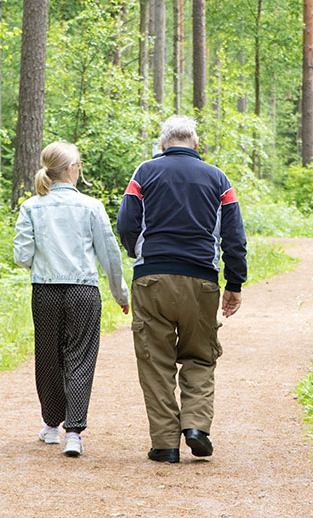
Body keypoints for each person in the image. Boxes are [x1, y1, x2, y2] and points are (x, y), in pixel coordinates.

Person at [116, 115, 247, 463]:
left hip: (152, 278)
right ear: (196, 144)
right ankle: (196, 426)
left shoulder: (144, 173)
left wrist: (138, 253)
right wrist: (234, 283)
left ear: (162, 145)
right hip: (201, 280)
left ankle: (165, 444)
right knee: (200, 355)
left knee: (155, 361)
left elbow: (126, 223)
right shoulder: (218, 179)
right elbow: (234, 238)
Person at [13, 141, 130, 458]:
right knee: (80, 357)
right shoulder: (91, 206)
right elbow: (109, 256)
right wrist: (120, 294)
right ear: (70, 169)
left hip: (46, 291)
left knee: (48, 357)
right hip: (83, 291)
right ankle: (74, 433)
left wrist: (42, 259)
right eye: (78, 165)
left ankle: (51, 426)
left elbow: (22, 256)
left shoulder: (32, 207)